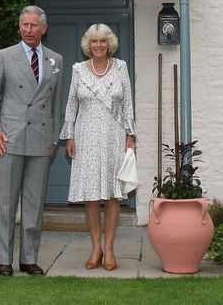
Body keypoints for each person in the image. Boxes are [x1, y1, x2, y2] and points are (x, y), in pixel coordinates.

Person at [0, 5, 63, 276]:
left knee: (33, 203)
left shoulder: (56, 60)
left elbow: (55, 104)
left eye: (33, 25)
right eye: (24, 25)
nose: (29, 30)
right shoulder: (4, 57)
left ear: (44, 28)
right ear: (19, 27)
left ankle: (29, 259)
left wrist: (54, 137)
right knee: (6, 204)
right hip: (10, 140)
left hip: (41, 141)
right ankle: (3, 260)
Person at [59, 23, 136, 271]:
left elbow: (128, 104)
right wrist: (69, 136)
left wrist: (130, 135)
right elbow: (71, 104)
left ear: (110, 44)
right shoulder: (78, 70)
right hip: (85, 137)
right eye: (94, 41)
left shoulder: (121, 67)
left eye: (103, 41)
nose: (99, 45)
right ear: (88, 46)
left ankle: (110, 249)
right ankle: (96, 248)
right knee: (91, 196)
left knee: (113, 196)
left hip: (114, 135)